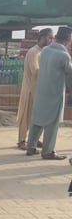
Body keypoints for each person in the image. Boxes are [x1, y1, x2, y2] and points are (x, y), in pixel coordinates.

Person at [26, 26, 72, 160]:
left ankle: (31, 147)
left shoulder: (45, 50)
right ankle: (48, 151)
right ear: (68, 38)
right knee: (52, 122)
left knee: (37, 119)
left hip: (41, 90)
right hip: (54, 92)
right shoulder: (63, 55)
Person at [16, 28, 53, 150]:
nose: (51, 40)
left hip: (39, 90)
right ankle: (22, 141)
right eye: (50, 37)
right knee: (26, 116)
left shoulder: (43, 52)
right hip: (30, 89)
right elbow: (35, 71)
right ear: (42, 37)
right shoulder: (33, 52)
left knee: (37, 116)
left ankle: (34, 139)